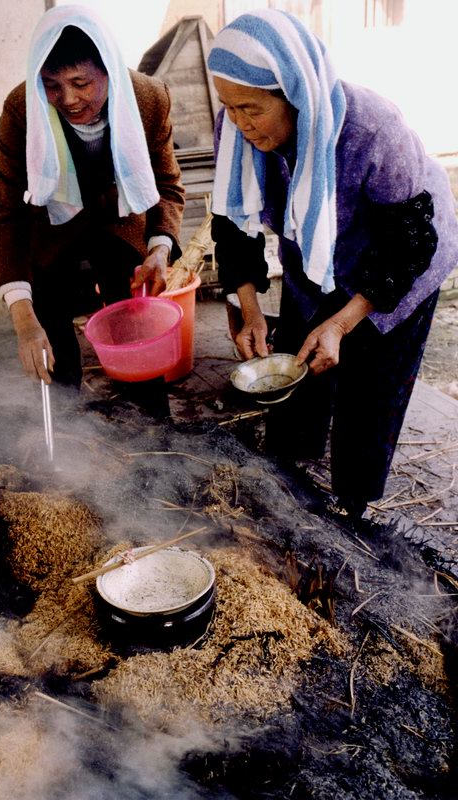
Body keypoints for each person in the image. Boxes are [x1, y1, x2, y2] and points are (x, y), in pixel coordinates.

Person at [208, 9, 458, 524]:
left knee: (370, 381)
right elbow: (233, 221)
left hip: (400, 256)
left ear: (294, 95)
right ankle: (291, 464)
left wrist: (344, 322)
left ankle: (353, 503)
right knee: (296, 354)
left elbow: (409, 242)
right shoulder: (236, 128)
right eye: (229, 107)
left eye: (251, 108)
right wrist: (248, 304)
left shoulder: (370, 129)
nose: (239, 122)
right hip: (315, 250)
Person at [0, 5, 185, 387]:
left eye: (81, 82)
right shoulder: (22, 109)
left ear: (108, 69)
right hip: (52, 227)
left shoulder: (149, 98)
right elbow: (4, 211)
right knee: (50, 327)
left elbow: (166, 184)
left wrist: (159, 249)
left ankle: (151, 427)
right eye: (52, 84)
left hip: (119, 221)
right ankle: (66, 426)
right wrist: (24, 319)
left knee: (133, 317)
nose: (69, 98)